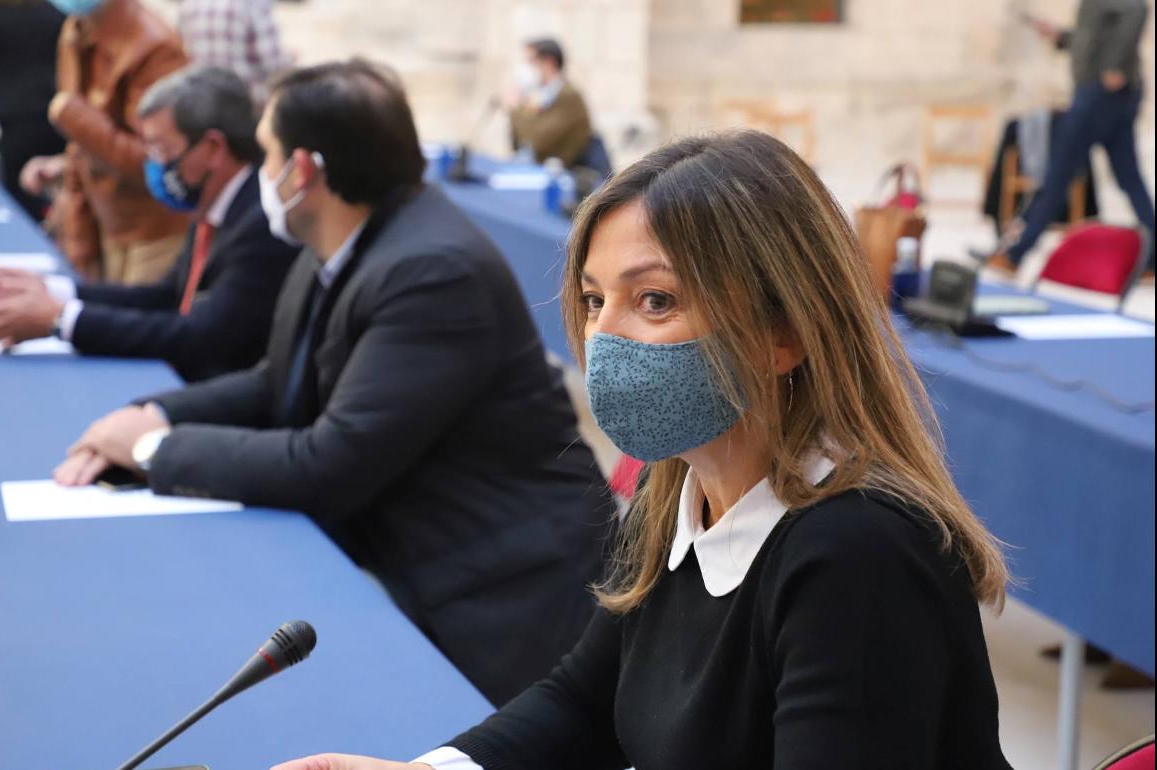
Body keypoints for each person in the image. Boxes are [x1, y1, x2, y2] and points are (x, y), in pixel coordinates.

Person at [272, 131, 1014, 770]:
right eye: (595, 300)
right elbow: (585, 700)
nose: (604, 336)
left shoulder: (858, 554)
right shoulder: (679, 492)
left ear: (785, 333)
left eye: (654, 300)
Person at [52, 59, 612, 707]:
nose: (258, 171)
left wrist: (152, 451)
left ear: (305, 171)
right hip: (428, 564)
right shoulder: (339, 236)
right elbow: (277, 382)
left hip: (506, 597)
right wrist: (150, 414)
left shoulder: (432, 270)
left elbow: (329, 462)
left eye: (265, 153)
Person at [0, 66, 297, 383]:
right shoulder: (215, 205)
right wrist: (55, 291)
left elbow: (203, 337)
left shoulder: (259, 224)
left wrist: (61, 320)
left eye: (161, 149)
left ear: (212, 149)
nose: (154, 164)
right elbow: (167, 295)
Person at [21, 0, 191, 285]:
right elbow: (80, 145)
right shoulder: (78, 30)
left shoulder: (154, 47)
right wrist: (78, 229)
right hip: (105, 219)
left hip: (152, 229)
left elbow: (159, 163)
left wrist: (75, 119)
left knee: (134, 320)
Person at [989, 0, 1154, 280]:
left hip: (1099, 97)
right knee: (1128, 177)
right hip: (1106, 95)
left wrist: (1114, 67)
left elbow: (1137, 9)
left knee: (1058, 174)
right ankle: (1153, 260)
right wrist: (1061, 37)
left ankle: (1016, 255)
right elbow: (1096, 36)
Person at [0, 0, 66, 221]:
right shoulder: (58, 7)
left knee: (19, 206)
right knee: (60, 198)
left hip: (17, 118)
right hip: (58, 113)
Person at [178, 0, 292, 106]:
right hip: (248, 102)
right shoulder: (253, 3)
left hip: (204, 103)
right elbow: (272, 62)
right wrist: (290, 58)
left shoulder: (190, 4)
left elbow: (184, 50)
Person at [503, 38, 592, 166]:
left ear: (549, 62)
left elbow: (535, 141)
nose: (527, 68)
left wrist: (515, 107)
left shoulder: (568, 96)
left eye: (531, 61)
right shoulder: (541, 95)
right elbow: (519, 142)